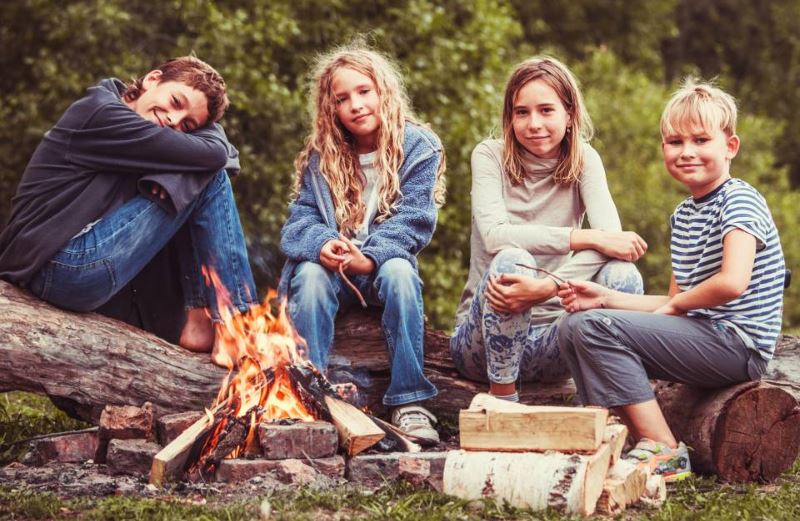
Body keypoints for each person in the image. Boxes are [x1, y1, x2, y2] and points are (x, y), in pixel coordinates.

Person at [556, 79, 786, 481]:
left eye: (701, 140)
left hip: (738, 344)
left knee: (593, 329)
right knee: (575, 324)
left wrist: (676, 306)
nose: (687, 151)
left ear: (730, 147)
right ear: (664, 149)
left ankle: (664, 448)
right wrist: (605, 297)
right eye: (675, 142)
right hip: (702, 333)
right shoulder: (684, 216)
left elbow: (732, 282)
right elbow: (674, 300)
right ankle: (612, 435)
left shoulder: (740, 199)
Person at [0, 56, 257, 363]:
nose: (175, 121)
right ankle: (232, 323)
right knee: (209, 177)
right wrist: (187, 172)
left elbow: (212, 149)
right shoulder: (100, 113)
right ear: (152, 79)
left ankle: (207, 320)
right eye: (176, 102)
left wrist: (177, 178)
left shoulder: (131, 125)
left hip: (71, 268)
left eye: (188, 124)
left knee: (196, 173)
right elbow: (215, 155)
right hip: (60, 265)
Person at [450, 56, 646, 402]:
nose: (533, 123)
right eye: (521, 112)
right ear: (509, 118)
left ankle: (613, 407)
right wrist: (583, 236)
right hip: (481, 347)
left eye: (546, 110)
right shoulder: (489, 155)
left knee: (622, 273)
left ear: (569, 115)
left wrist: (545, 288)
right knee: (511, 259)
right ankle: (502, 403)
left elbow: (612, 243)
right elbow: (495, 234)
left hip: (553, 342)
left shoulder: (584, 159)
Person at [279, 43, 446, 443]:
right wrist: (322, 244)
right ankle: (309, 394)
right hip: (334, 270)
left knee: (401, 272)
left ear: (383, 91)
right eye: (342, 99)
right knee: (309, 275)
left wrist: (368, 258)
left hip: (380, 266)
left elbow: (415, 221)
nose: (355, 104)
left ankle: (410, 400)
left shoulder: (419, 146)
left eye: (363, 91)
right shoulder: (323, 156)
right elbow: (297, 223)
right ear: (331, 108)